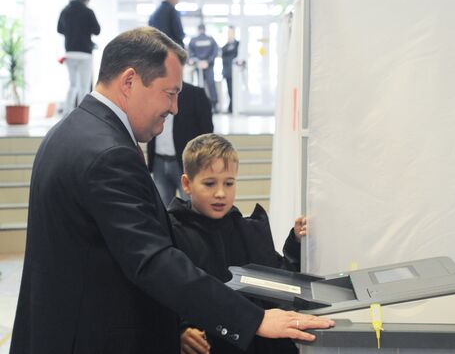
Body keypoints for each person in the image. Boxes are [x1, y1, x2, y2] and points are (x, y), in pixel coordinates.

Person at [9, 27, 334, 354]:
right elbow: (152, 261)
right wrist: (254, 319)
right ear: (130, 81)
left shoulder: (72, 130)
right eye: (170, 93)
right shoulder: (110, 153)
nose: (176, 108)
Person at [168, 133, 307, 354]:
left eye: (229, 183)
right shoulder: (172, 234)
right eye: (210, 183)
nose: (221, 193)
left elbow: (280, 281)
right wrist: (180, 331)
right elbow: (162, 296)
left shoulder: (249, 231)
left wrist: (296, 242)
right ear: (187, 183)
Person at [147, 82, 213, 206]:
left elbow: (207, 132)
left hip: (185, 162)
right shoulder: (153, 92)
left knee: (191, 209)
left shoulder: (195, 94)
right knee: (163, 211)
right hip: (159, 162)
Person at [57, 0, 100, 116]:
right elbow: (97, 30)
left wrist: (71, 34)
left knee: (72, 84)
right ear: (86, 0)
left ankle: (67, 112)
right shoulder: (88, 12)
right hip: (85, 53)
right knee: (84, 86)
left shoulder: (65, 11)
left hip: (70, 52)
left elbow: (59, 29)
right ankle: (83, 114)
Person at [188, 24, 219, 112]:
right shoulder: (210, 39)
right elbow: (215, 52)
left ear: (198, 30)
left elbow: (190, 52)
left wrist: (198, 61)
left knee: (200, 86)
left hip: (201, 66)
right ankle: (214, 105)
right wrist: (207, 61)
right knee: (210, 85)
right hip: (206, 66)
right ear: (205, 30)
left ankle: (201, 105)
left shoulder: (193, 40)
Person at [221, 26, 239, 113]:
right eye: (228, 33)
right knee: (229, 91)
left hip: (235, 73)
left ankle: (233, 107)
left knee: (234, 91)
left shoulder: (238, 44)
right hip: (227, 72)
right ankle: (231, 107)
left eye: (231, 32)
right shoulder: (225, 46)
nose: (229, 34)